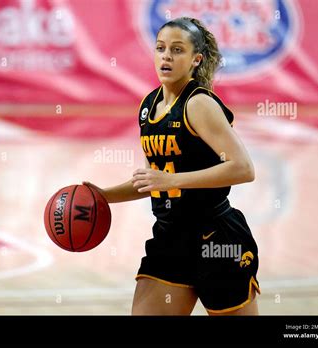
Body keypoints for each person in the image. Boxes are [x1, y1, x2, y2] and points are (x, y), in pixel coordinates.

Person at [84, 17, 260, 315]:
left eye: (177, 50)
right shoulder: (148, 106)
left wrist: (172, 180)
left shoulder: (198, 104)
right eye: (161, 48)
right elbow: (155, 180)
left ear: (196, 59)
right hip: (169, 238)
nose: (166, 55)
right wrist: (104, 195)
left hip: (217, 240)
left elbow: (243, 168)